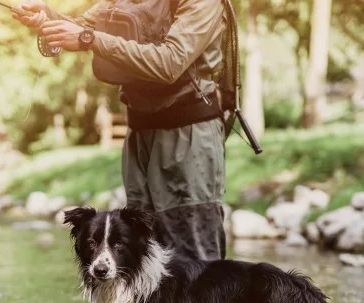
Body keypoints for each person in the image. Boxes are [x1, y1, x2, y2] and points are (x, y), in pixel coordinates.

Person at [12, 0, 227, 261]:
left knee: (196, 261)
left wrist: (89, 38)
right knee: (142, 261)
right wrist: (46, 17)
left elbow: (171, 62)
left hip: (188, 135)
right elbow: (82, 28)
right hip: (139, 134)